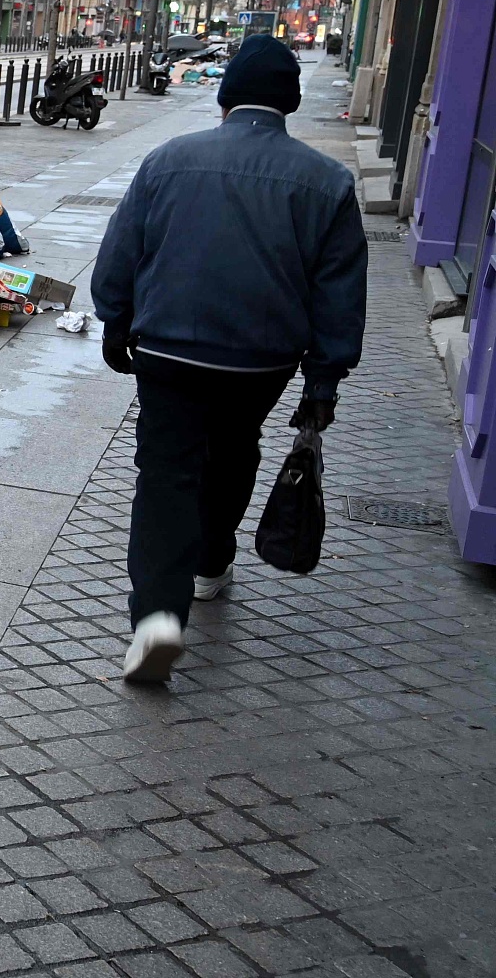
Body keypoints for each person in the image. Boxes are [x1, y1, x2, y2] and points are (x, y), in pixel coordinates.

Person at [91, 36, 366, 684]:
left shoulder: (168, 160)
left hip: (168, 350)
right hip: (261, 362)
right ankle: (211, 563)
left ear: (226, 97)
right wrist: (323, 380)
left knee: (166, 475)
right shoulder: (328, 183)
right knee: (236, 448)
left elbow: (121, 250)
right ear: (289, 102)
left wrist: (115, 320)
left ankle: (157, 621)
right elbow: (339, 293)